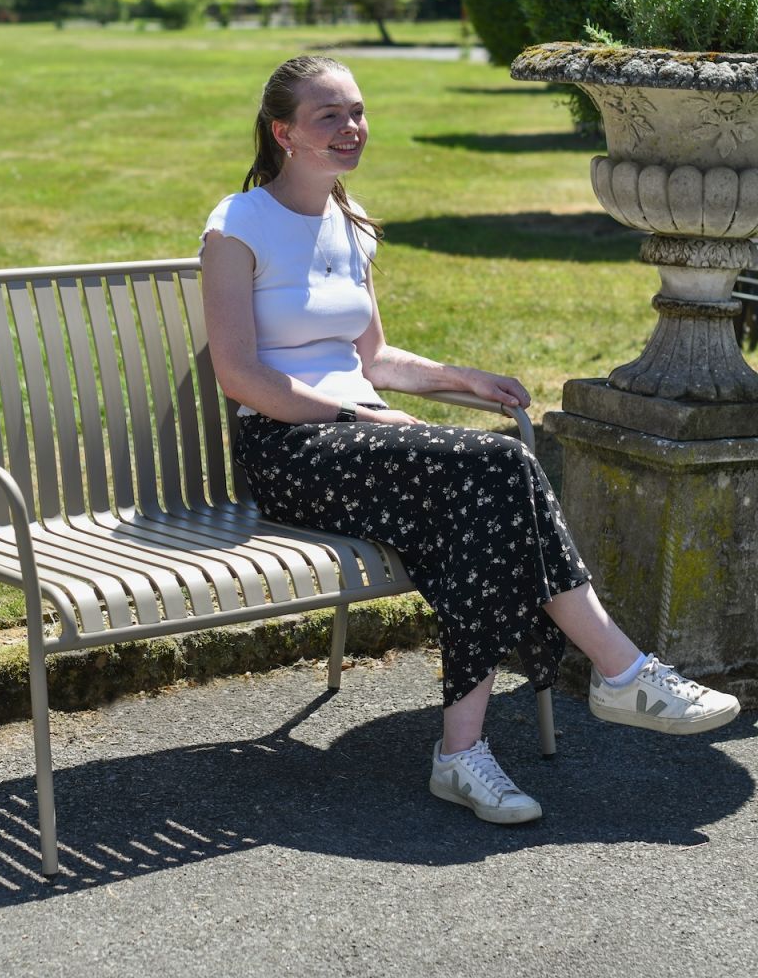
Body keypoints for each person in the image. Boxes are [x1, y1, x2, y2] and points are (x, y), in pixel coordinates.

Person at [199, 54, 740, 825]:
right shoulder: (238, 224)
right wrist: (362, 417)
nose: (352, 128)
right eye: (330, 116)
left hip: (368, 451)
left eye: (357, 111)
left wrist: (463, 378)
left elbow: (374, 358)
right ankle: (618, 672)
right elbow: (240, 375)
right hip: (292, 451)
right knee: (496, 466)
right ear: (284, 132)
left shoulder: (350, 225)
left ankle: (468, 751)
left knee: (488, 497)